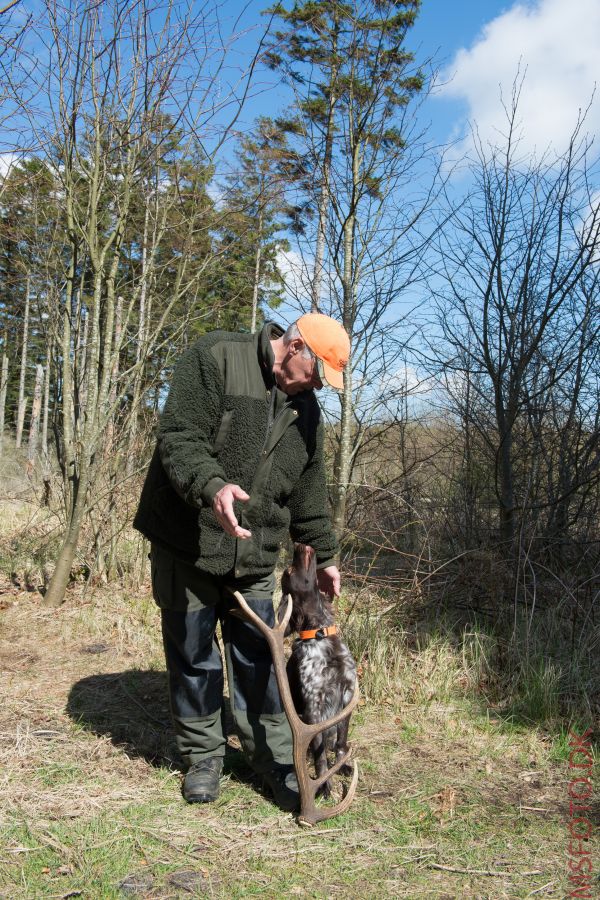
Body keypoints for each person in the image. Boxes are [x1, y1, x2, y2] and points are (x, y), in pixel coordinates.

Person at [133, 313, 350, 811]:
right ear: (295, 346)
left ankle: (272, 759)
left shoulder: (307, 411)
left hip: (253, 553)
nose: (318, 386)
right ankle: (203, 758)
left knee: (260, 660)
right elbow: (180, 436)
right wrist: (214, 487)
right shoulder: (216, 357)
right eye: (317, 373)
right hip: (188, 541)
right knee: (193, 656)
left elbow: (309, 489)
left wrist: (325, 555)